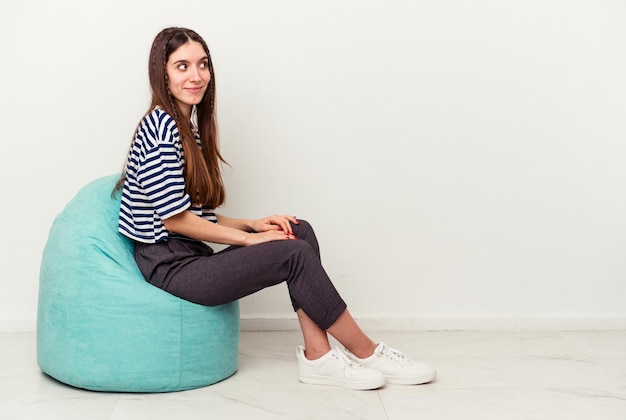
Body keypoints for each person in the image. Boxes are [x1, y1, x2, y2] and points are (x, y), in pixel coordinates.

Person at [115, 27, 435, 390]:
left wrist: (253, 224)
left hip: (190, 256)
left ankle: (319, 356)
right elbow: (175, 221)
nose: (196, 76)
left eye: (203, 65)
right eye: (182, 66)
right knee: (292, 253)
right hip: (171, 269)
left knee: (297, 230)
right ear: (163, 72)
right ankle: (367, 350)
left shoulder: (187, 127)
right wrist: (250, 240)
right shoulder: (159, 127)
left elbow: (195, 213)